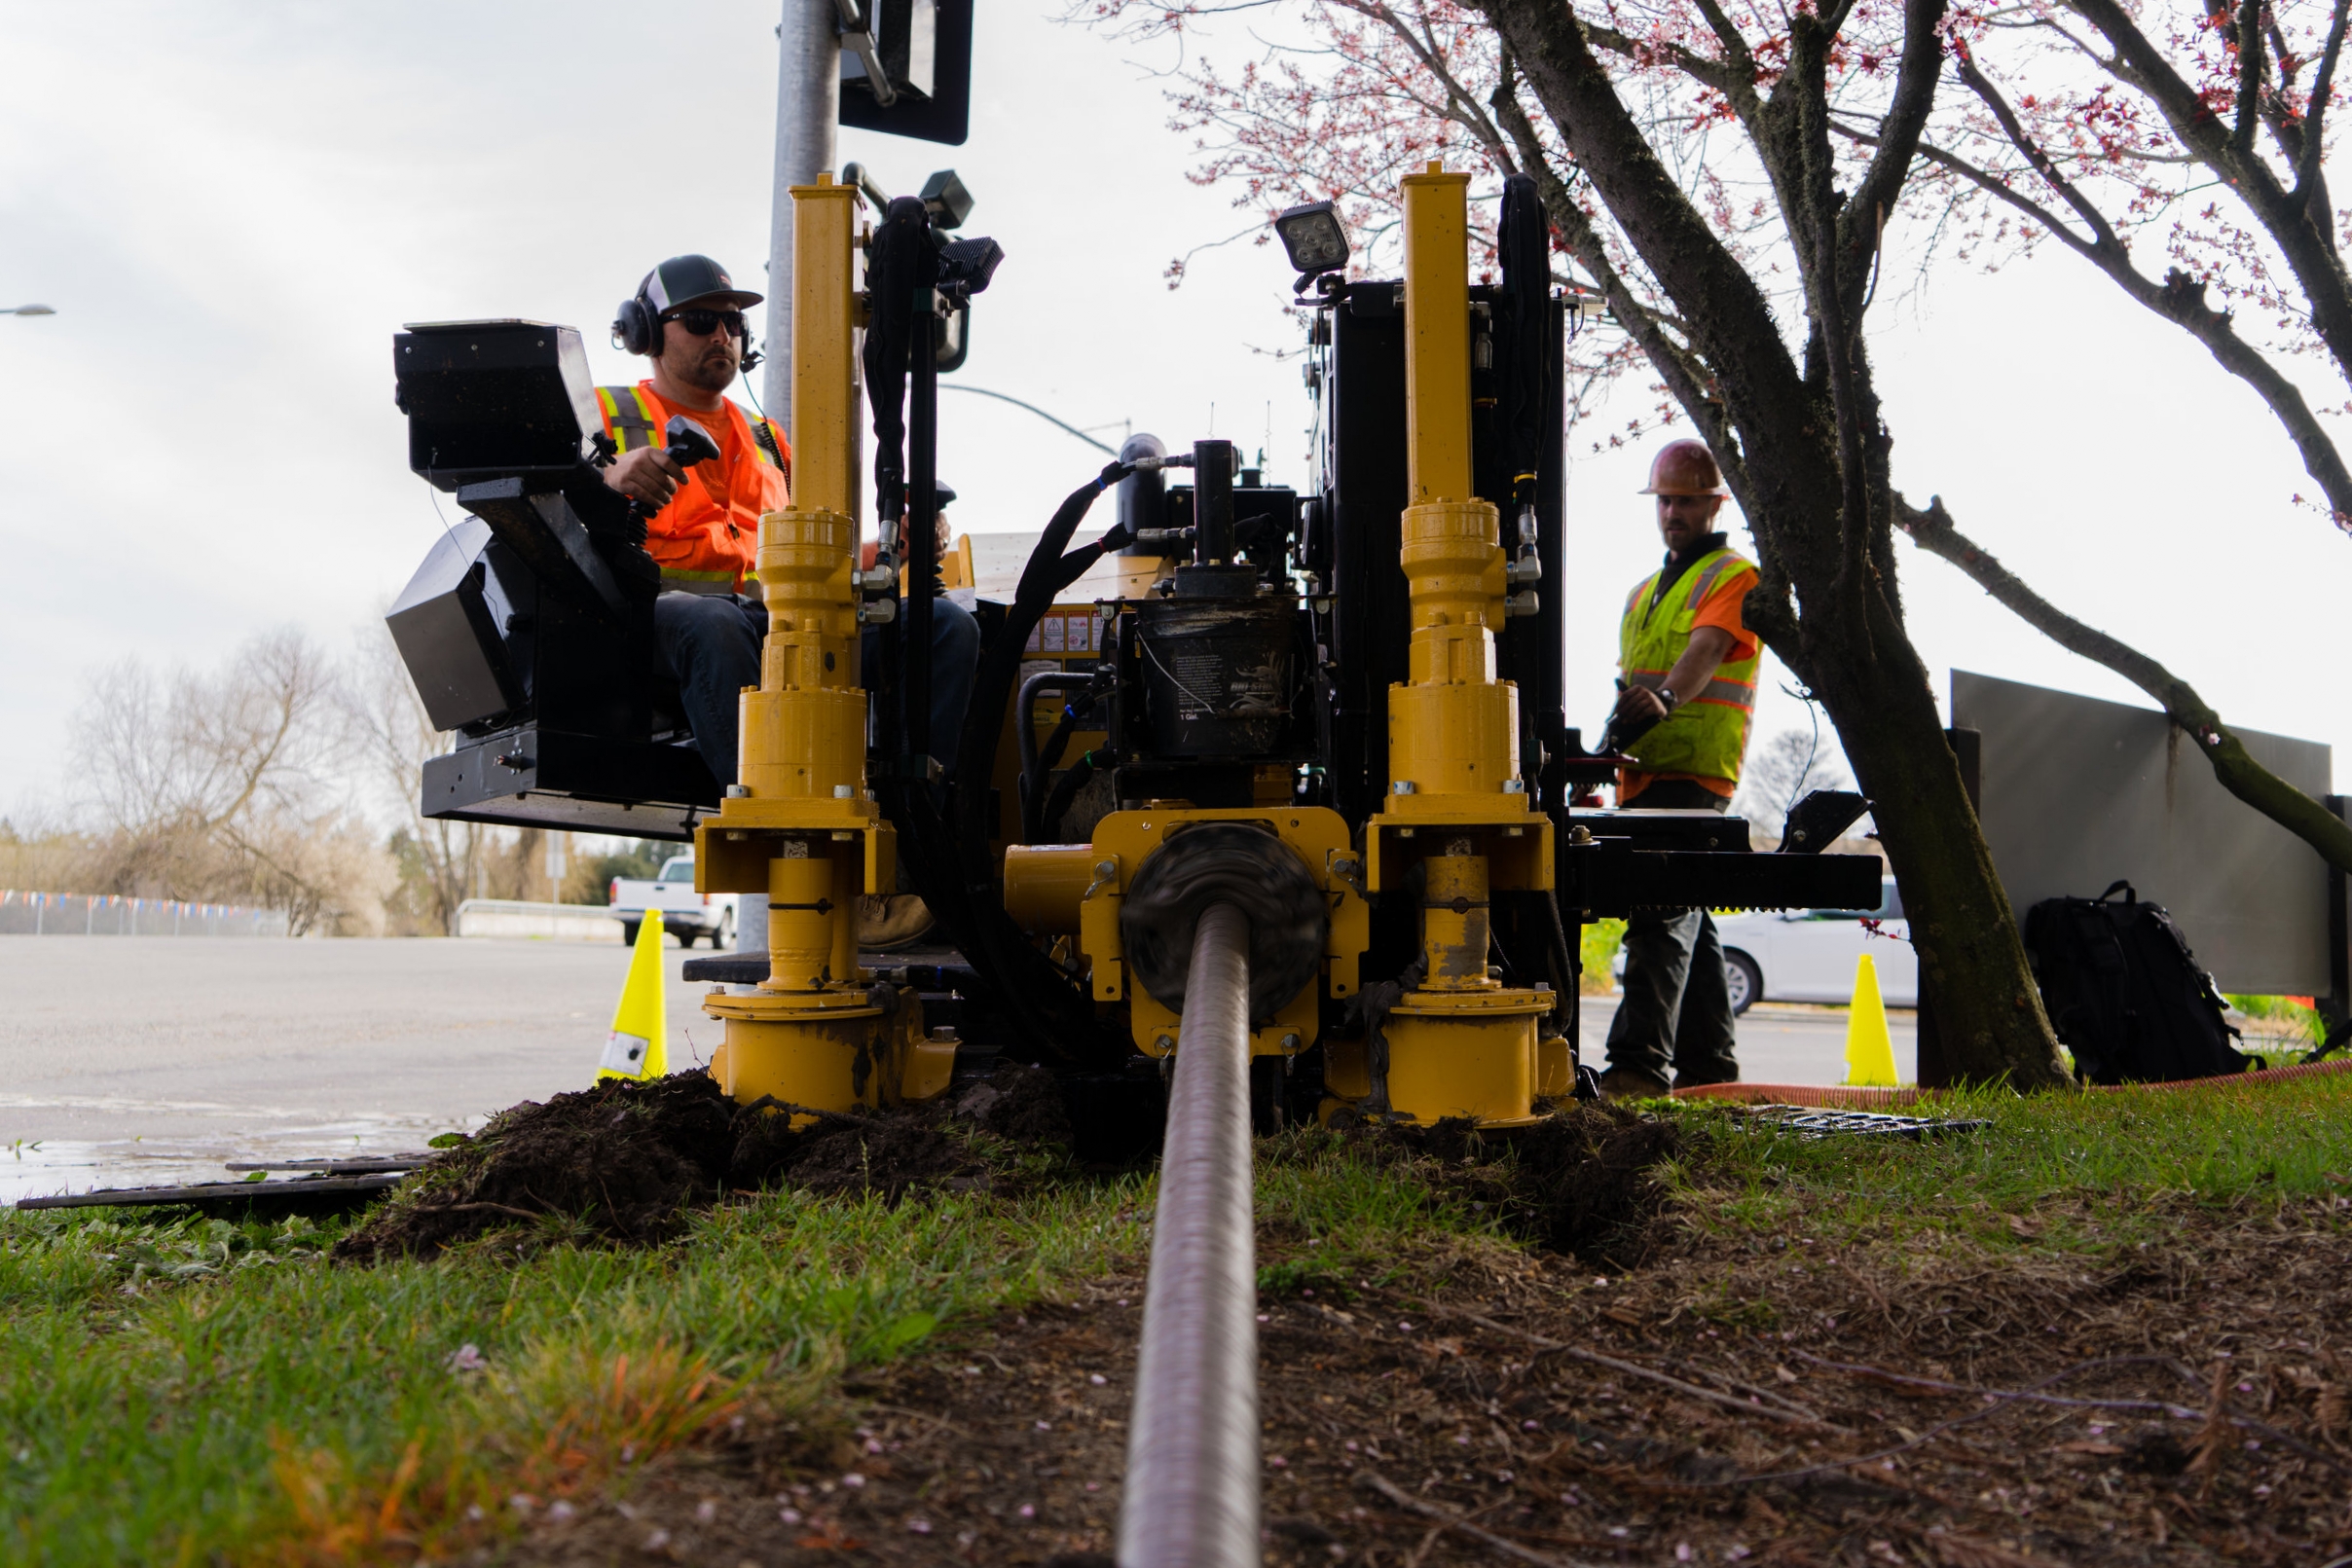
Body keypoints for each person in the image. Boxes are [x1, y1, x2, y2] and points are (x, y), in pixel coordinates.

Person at [1599, 438, 1762, 1099]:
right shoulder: (1643, 593)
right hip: (1643, 774)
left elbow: (1706, 650)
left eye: (1687, 500)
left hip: (1695, 772)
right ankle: (1710, 1071)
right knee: (1687, 916)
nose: (1673, 511)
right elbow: (1627, 689)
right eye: (1665, 499)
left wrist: (1666, 698)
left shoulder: (1731, 576)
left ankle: (1637, 1067)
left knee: (1661, 914)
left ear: (1713, 503)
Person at [597, 254, 790, 785]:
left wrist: (886, 550)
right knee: (715, 623)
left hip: (774, 625)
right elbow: (545, 498)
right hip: (653, 623)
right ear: (646, 333)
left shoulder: (769, 438)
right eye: (703, 321)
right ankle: (766, 807)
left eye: (734, 323)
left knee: (938, 625)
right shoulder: (606, 414)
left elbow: (808, 542)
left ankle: (926, 822)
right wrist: (609, 477)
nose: (723, 335)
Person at [857, 481, 983, 950]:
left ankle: (920, 847)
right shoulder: (632, 416)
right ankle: (876, 874)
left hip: (815, 608)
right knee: (947, 625)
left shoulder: (765, 442)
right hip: (745, 620)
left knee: (949, 625)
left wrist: (895, 547)